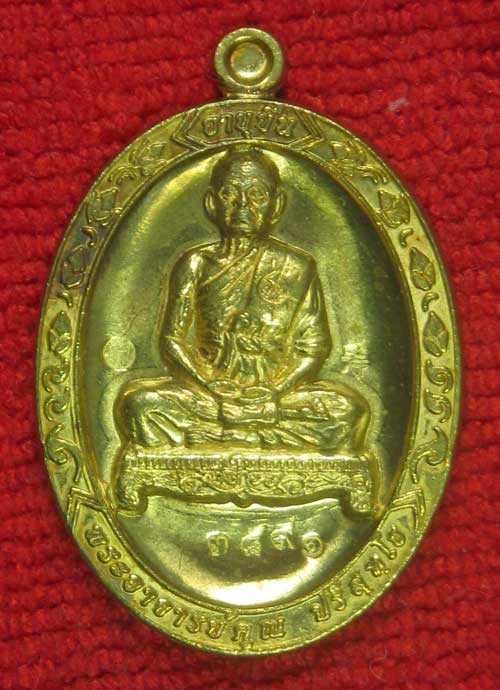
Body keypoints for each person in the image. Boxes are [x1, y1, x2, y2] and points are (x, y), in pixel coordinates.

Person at [116, 146, 370, 454]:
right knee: (139, 405)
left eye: (257, 195)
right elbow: (172, 340)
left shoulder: (297, 267)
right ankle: (248, 438)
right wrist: (210, 384)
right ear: (212, 203)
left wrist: (274, 392)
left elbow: (314, 348)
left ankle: (221, 438)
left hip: (274, 399)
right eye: (230, 194)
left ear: (277, 205)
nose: (243, 205)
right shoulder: (195, 264)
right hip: (209, 396)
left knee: (348, 412)